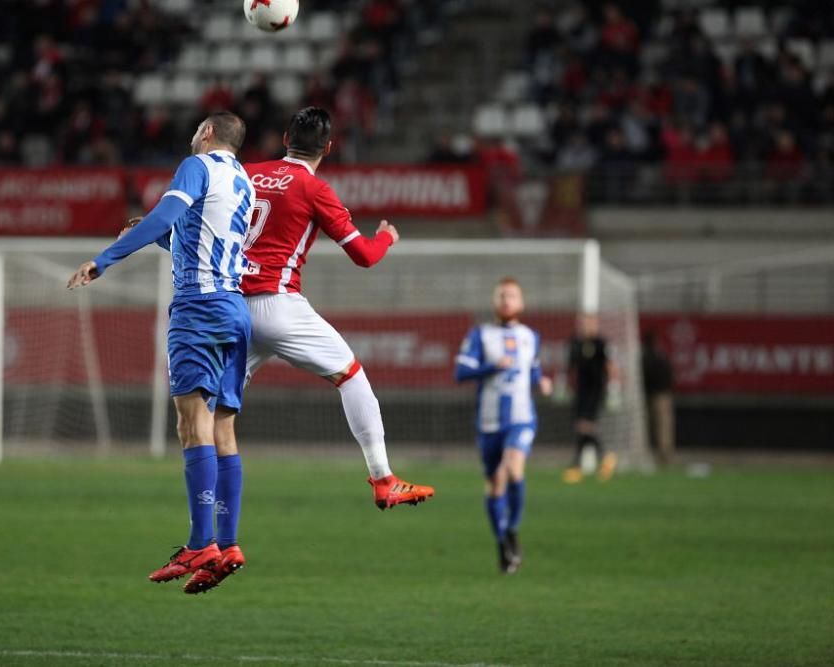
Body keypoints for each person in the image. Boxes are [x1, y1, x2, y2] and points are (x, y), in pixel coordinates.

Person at [67, 112, 252, 596]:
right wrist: (163, 238)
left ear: (208, 133)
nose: (192, 135)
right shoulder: (244, 181)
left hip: (198, 307)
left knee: (191, 425)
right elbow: (199, 239)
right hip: (235, 308)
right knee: (222, 428)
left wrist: (103, 259)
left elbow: (165, 215)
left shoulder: (199, 165)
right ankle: (227, 544)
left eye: (196, 129)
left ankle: (199, 543)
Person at [236, 106, 435, 511]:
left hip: (230, 303)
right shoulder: (315, 190)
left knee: (215, 411)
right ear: (328, 147)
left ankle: (208, 521)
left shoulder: (246, 172)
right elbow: (364, 256)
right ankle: (384, 479)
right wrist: (386, 238)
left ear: (286, 138)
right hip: (277, 305)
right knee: (351, 377)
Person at [455, 277, 553, 574]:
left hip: (522, 418)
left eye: (512, 296)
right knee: (495, 483)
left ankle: (512, 528)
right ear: (494, 302)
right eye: (501, 296)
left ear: (521, 303)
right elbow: (461, 372)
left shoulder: (530, 337)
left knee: (513, 469)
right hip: (489, 422)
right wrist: (490, 368)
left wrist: (542, 382)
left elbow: (532, 372)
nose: (506, 300)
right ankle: (502, 544)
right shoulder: (479, 335)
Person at [562, 314, 618, 484]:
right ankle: (591, 462)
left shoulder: (601, 343)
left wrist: (614, 388)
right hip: (581, 390)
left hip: (596, 390)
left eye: (591, 323)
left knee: (585, 426)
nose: (588, 326)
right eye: (585, 323)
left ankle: (583, 464)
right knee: (582, 428)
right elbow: (570, 366)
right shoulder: (576, 343)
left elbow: (610, 366)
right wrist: (563, 384)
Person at [642, 330, 675, 466]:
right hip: (660, 395)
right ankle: (662, 458)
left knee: (660, 428)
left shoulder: (649, 357)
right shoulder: (658, 356)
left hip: (657, 396)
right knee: (662, 428)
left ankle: (663, 458)